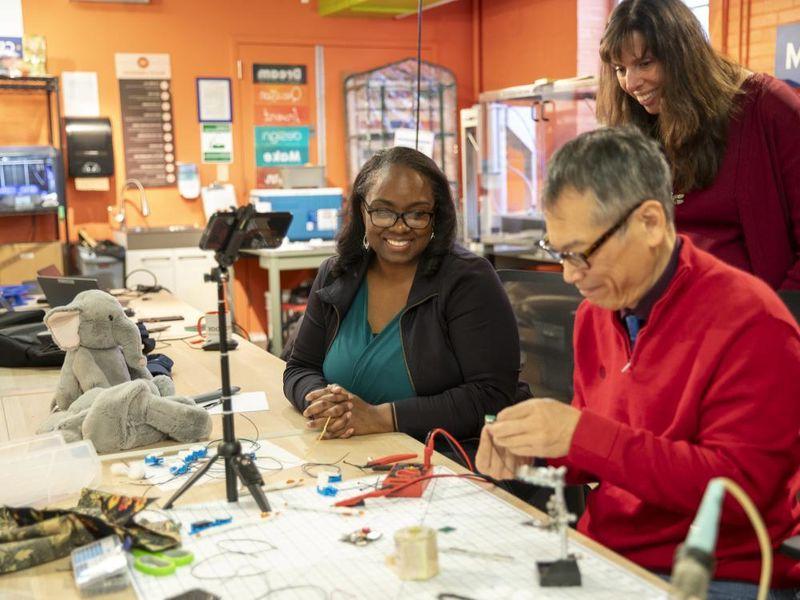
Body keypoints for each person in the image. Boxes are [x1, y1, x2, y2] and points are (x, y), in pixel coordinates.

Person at [476, 127, 800, 598]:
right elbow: (606, 452)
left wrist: (579, 434)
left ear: (650, 222)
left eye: (580, 254)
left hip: (714, 571)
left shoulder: (752, 323)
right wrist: (537, 449)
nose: (569, 275)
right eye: (557, 253)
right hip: (606, 551)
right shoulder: (597, 313)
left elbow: (740, 494)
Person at [283, 146, 521, 442]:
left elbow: (491, 396)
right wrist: (320, 401)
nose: (399, 227)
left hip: (444, 459)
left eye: (417, 213)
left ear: (436, 216)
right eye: (383, 211)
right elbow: (300, 367)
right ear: (362, 210)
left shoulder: (468, 280)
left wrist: (381, 418)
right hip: (349, 453)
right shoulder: (336, 275)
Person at [597, 0, 800, 290]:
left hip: (754, 320)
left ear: (684, 55)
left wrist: (780, 317)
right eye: (619, 68)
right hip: (672, 318)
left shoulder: (768, 108)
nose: (630, 83)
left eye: (645, 63)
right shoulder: (641, 125)